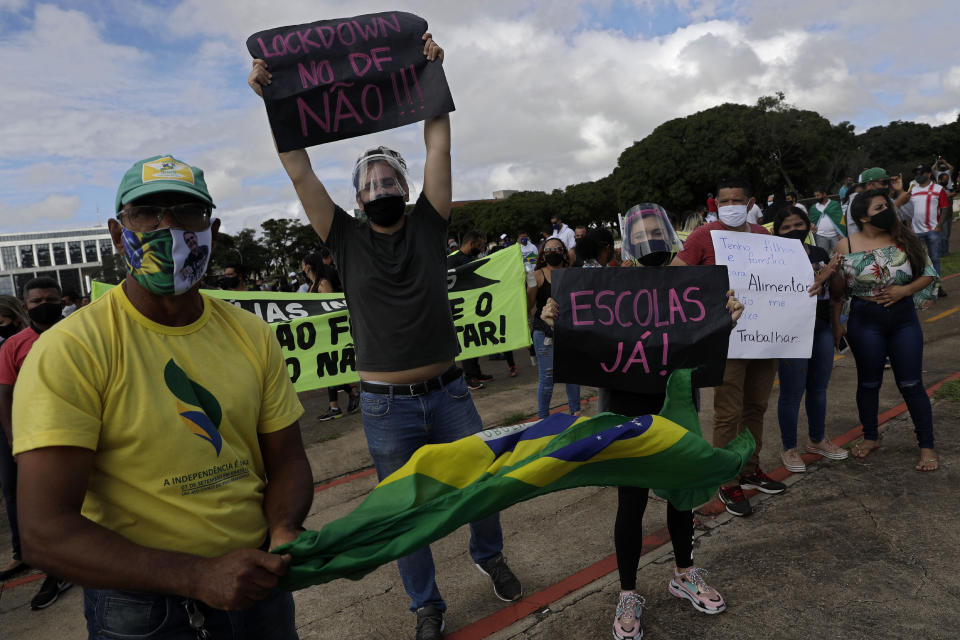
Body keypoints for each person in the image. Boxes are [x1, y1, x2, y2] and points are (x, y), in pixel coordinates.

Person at [251, 34, 521, 640]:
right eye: (369, 182)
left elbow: (439, 142)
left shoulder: (430, 221)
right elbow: (298, 166)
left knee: (484, 483)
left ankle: (489, 552)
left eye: (388, 178)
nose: (381, 188)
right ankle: (426, 604)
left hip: (450, 393)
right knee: (404, 515)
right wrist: (272, 100)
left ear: (403, 185)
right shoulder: (342, 237)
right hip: (384, 405)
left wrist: (432, 77)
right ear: (356, 195)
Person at [12, 156, 312, 636]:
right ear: (117, 232)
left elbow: (289, 459)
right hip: (141, 611)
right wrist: (196, 576)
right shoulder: (71, 349)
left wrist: (283, 529)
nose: (167, 227)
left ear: (211, 228)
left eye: (186, 213)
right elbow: (44, 532)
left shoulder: (251, 335)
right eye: (147, 212)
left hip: (258, 587)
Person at [543, 205, 746, 638]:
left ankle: (684, 572)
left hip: (676, 407)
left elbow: (704, 337)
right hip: (626, 409)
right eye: (642, 231)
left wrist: (725, 317)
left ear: (669, 233)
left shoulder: (694, 285)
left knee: (680, 495)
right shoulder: (608, 286)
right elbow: (575, 331)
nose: (651, 237)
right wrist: (547, 320)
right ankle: (628, 592)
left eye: (657, 228)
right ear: (629, 241)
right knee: (631, 502)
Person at [670, 177, 787, 517]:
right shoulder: (702, 237)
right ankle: (726, 480)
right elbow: (677, 276)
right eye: (725, 201)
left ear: (750, 203)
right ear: (716, 205)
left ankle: (750, 470)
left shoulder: (764, 236)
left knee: (756, 408)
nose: (732, 206)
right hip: (728, 340)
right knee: (727, 414)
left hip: (765, 338)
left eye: (738, 200)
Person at [831, 189, 939, 472]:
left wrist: (904, 290)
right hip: (865, 320)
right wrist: (836, 320)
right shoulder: (845, 246)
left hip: (903, 318)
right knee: (868, 383)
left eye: (887, 205)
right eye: (881, 207)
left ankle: (927, 446)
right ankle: (870, 437)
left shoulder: (904, 237)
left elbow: (929, 273)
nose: (888, 209)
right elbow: (839, 292)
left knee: (912, 384)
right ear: (863, 216)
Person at [771, 208, 847, 473]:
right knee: (792, 392)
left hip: (822, 328)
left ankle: (817, 439)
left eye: (799, 224)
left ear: (809, 226)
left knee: (819, 388)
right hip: (792, 332)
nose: (794, 229)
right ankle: (789, 447)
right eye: (786, 226)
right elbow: (795, 292)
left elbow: (835, 294)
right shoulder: (774, 259)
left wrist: (835, 273)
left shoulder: (819, 254)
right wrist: (823, 275)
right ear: (776, 232)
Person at [528, 237, 580, 419]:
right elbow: (529, 306)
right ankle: (543, 418)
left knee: (572, 375)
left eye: (557, 249)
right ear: (543, 255)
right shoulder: (537, 276)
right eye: (548, 250)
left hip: (569, 332)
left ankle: (576, 412)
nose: (553, 252)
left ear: (564, 253)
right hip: (544, 332)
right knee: (547, 378)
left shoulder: (571, 273)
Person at [0, 294, 30, 581]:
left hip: (26, 421)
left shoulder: (21, 343)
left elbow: (7, 392)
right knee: (11, 490)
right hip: (6, 426)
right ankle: (22, 552)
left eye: (2, 321)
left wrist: (12, 435)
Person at [448, 230, 496, 389]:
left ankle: (476, 372)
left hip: (474, 308)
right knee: (468, 343)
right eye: (481, 245)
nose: (482, 248)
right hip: (461, 310)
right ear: (472, 243)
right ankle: (470, 377)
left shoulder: (469, 259)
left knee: (475, 341)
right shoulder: (455, 260)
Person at [895, 164, 949, 288]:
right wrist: (909, 227)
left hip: (933, 231)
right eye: (917, 173)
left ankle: (936, 286)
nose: (918, 175)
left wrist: (939, 226)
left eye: (922, 173)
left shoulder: (938, 189)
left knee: (934, 259)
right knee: (918, 261)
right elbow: (907, 211)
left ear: (929, 174)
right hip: (916, 232)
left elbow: (945, 208)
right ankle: (922, 288)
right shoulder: (912, 190)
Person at [936, 172, 954, 256]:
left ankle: (945, 251)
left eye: (947, 179)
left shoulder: (947, 188)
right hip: (942, 215)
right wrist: (948, 195)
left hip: (949, 214)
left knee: (947, 234)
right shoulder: (937, 188)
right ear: (939, 180)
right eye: (944, 179)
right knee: (943, 235)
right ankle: (943, 252)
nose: (946, 181)